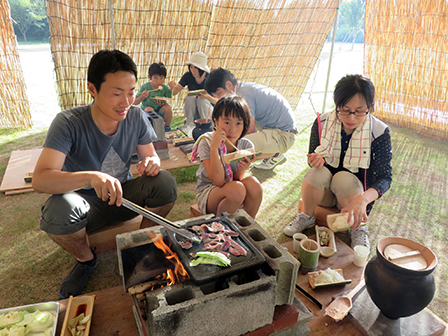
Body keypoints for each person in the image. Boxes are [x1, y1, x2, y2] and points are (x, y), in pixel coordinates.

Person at [32, 49, 178, 299]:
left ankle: (141, 247)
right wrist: (91, 177)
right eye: (116, 94)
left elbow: (150, 155)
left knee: (165, 182)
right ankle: (86, 260)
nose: (126, 102)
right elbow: (41, 178)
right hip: (86, 205)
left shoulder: (135, 116)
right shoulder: (68, 123)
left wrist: (151, 162)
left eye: (131, 92)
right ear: (92, 89)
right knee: (57, 212)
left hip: (125, 197)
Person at [283, 74, 392, 249]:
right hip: (324, 193)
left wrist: (364, 200)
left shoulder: (379, 132)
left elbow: (385, 178)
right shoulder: (322, 122)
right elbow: (312, 155)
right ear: (337, 104)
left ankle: (359, 228)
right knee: (316, 173)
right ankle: (307, 216)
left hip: (353, 197)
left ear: (370, 107)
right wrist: (315, 161)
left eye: (359, 111)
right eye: (345, 109)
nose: (351, 118)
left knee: (343, 178)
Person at [204, 67, 297, 170]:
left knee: (239, 146)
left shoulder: (244, 95)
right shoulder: (243, 89)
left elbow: (249, 131)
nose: (219, 98)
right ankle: (274, 154)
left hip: (284, 136)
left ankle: (274, 153)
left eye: (219, 93)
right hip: (273, 129)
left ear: (229, 85)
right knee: (234, 140)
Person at [190, 95, 262, 218]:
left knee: (254, 185)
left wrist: (242, 168)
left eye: (238, 123)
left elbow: (236, 179)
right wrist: (214, 148)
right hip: (208, 192)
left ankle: (247, 226)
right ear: (216, 122)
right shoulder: (207, 142)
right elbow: (217, 181)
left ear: (245, 124)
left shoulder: (245, 144)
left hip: (232, 189)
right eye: (227, 122)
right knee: (237, 190)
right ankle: (221, 230)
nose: (232, 130)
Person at [168, 51, 214, 135]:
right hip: (193, 111)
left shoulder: (210, 78)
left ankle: (204, 125)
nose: (193, 70)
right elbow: (175, 91)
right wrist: (171, 88)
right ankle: (189, 125)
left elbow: (216, 100)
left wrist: (207, 96)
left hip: (207, 111)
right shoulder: (188, 75)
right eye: (191, 67)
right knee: (190, 97)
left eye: (195, 67)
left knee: (201, 100)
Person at [134, 62, 173, 132]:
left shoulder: (165, 89)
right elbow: (134, 102)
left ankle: (166, 127)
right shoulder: (145, 87)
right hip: (147, 114)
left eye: (161, 78)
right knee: (149, 108)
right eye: (155, 78)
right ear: (149, 77)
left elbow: (168, 101)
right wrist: (142, 97)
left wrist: (162, 104)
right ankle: (150, 129)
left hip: (159, 112)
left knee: (168, 108)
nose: (159, 81)